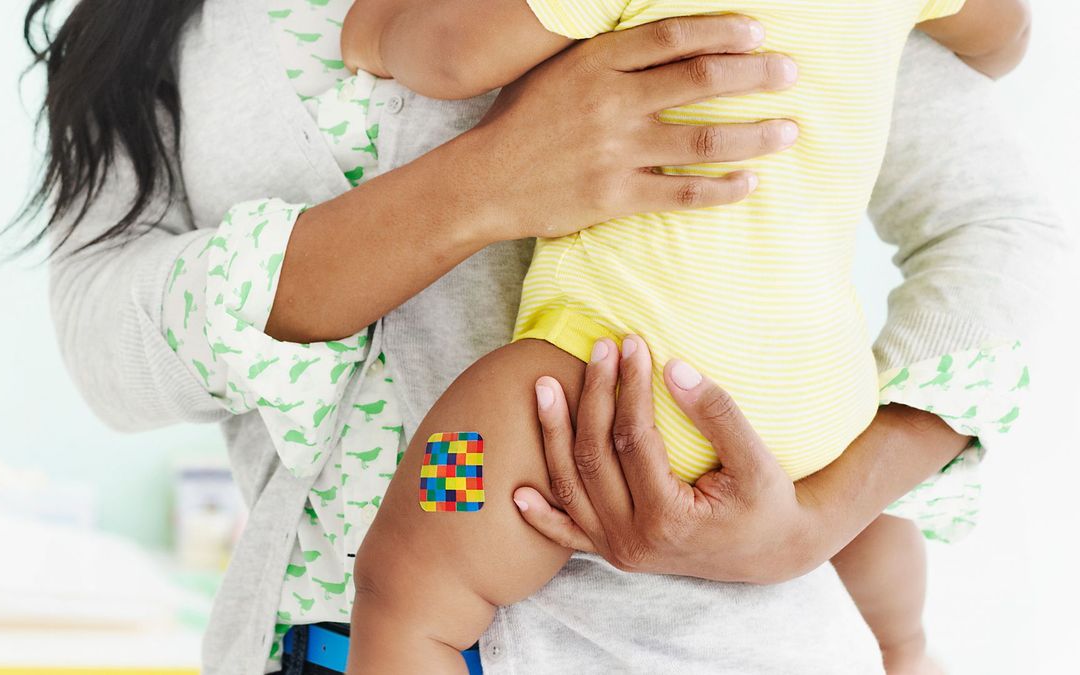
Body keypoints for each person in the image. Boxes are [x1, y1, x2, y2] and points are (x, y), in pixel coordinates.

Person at [22, 0, 1065, 673]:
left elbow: (1006, 232)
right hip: (309, 638)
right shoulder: (156, 35)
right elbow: (106, 338)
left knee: (446, 501)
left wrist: (823, 514)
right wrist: (475, 186)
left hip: (675, 618)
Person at [338, 1, 1032, 673]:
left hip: (620, 376)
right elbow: (1006, 35)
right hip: (821, 393)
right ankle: (903, 646)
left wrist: (375, 29)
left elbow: (454, 52)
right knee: (861, 517)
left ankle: (414, 613)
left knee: (407, 580)